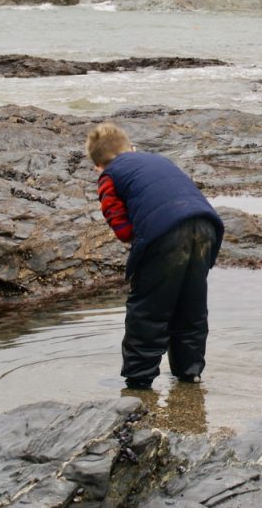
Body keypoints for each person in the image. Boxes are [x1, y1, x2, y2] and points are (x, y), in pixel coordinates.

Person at [86, 122, 224, 389]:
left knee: (148, 309)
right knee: (190, 305)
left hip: (165, 232)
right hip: (207, 225)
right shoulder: (157, 159)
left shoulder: (109, 176)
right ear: (132, 148)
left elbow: (123, 229)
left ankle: (139, 379)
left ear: (98, 165)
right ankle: (190, 371)